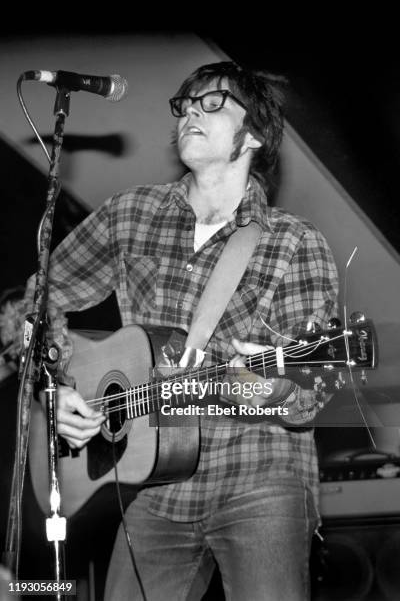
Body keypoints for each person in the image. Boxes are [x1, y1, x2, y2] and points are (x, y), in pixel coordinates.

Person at [21, 61, 338, 600]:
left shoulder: (296, 242)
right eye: (186, 102)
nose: (191, 109)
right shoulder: (131, 213)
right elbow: (38, 299)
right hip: (151, 483)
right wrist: (59, 388)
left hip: (259, 477)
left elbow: (311, 389)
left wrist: (268, 385)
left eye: (212, 101)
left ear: (254, 135)